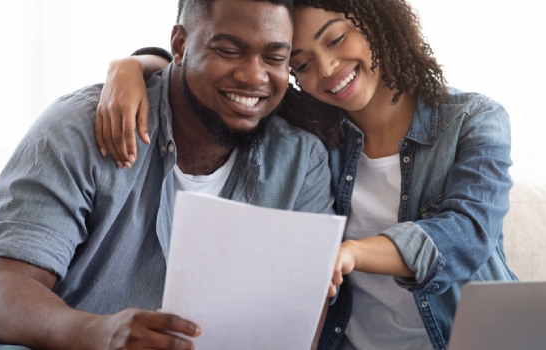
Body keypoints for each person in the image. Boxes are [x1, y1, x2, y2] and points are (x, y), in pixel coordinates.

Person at [96, 0, 517, 349]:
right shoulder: (314, 128)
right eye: (302, 64)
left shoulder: (473, 120)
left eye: (336, 39)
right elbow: (211, 70)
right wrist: (130, 67)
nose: (329, 69)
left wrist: (349, 252)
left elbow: (467, 233)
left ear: (376, 20)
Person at [0, 0, 335, 349]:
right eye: (228, 50)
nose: (255, 76)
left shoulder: (302, 164)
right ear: (181, 44)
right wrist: (100, 333)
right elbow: (1, 295)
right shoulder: (77, 130)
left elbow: (298, 321)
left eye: (274, 57)